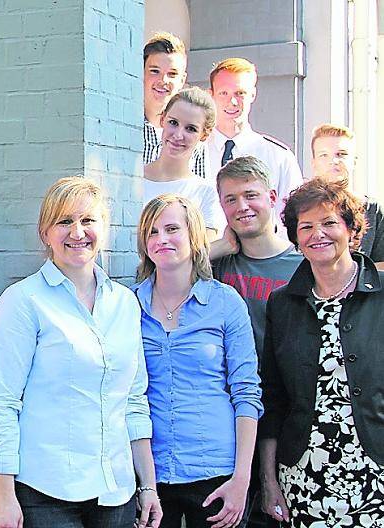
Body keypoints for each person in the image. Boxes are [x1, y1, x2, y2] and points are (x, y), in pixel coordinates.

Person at [0, 176, 162, 528]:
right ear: (45, 233)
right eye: (64, 221)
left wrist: (148, 486)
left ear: (104, 229)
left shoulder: (125, 303)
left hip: (116, 491)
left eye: (88, 220)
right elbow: (1, 402)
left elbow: (134, 400)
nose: (77, 232)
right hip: (46, 492)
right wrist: (3, 495)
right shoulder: (23, 301)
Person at [259, 178, 384, 526]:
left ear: (351, 229)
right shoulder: (282, 303)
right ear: (296, 237)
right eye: (307, 226)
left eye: (329, 222)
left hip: (376, 474)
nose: (319, 234)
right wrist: (269, 483)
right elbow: (273, 399)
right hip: (304, 477)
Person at [134, 194, 261, 528]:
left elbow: (246, 392)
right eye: (152, 231)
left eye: (172, 228)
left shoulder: (225, 302)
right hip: (151, 473)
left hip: (216, 470)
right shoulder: (128, 306)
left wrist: (242, 481)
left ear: (193, 235)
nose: (161, 239)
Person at [209, 157, 303, 528]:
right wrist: (217, 246)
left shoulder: (300, 266)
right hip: (229, 417)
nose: (241, 206)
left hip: (285, 415)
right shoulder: (219, 268)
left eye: (250, 195)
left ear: (274, 198)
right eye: (230, 199)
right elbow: (161, 265)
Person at [205, 58, 303, 231]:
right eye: (224, 93)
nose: (232, 102)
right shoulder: (196, 152)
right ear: (211, 94)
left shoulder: (279, 157)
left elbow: (291, 221)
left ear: (253, 94)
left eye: (240, 93)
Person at [143, 87, 226, 238]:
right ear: (162, 120)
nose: (178, 135)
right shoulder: (131, 181)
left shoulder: (206, 193)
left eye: (191, 129)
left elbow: (204, 253)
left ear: (204, 134)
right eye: (173, 123)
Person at [309, 123, 384, 268]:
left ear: (354, 161)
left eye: (341, 154)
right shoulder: (301, 209)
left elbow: (381, 267)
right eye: (324, 155)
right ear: (314, 163)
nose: (333, 161)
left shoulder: (373, 211)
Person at [142, 32, 206, 179]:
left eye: (172, 74)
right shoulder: (124, 129)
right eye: (155, 71)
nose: (163, 80)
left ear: (182, 80)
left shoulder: (194, 138)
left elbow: (200, 192)